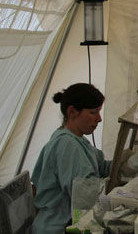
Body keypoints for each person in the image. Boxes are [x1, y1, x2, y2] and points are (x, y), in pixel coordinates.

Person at [31, 83, 110, 234]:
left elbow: (101, 167)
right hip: (58, 227)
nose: (99, 119)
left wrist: (126, 163)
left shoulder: (76, 139)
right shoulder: (67, 144)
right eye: (93, 112)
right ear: (72, 112)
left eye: (99, 111)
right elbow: (86, 196)